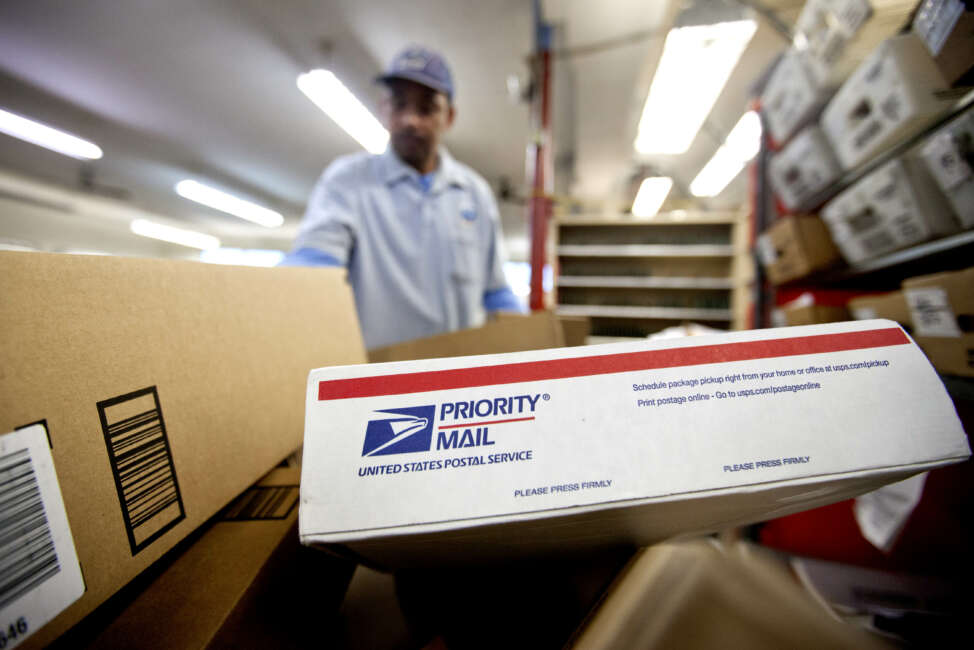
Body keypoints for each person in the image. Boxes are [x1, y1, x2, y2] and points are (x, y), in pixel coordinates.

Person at [281, 45, 523, 349]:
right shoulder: (346, 182)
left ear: (449, 116)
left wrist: (529, 347)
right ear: (383, 110)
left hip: (456, 384)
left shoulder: (475, 194)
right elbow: (313, 265)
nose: (411, 120)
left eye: (426, 108)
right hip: (376, 380)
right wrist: (279, 299)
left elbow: (496, 292)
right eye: (400, 105)